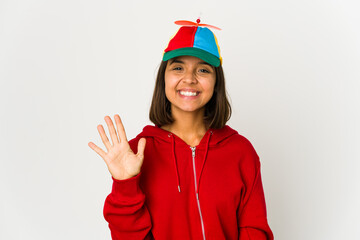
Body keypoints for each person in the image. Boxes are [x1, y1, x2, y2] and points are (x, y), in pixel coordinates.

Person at [88, 19, 274, 240]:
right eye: (178, 67)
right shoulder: (137, 152)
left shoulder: (241, 151)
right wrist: (125, 185)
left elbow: (255, 230)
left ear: (216, 83)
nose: (189, 78)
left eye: (203, 70)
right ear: (163, 78)